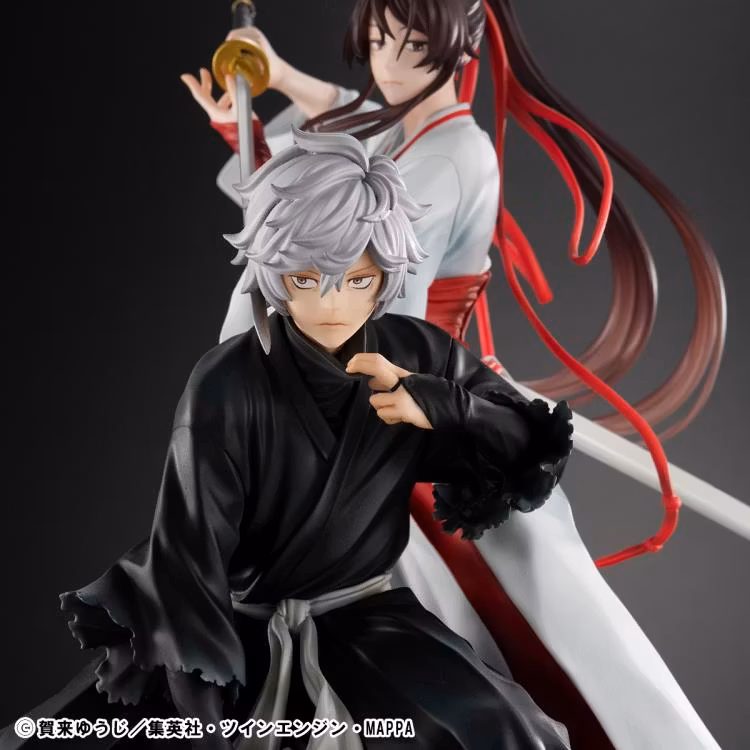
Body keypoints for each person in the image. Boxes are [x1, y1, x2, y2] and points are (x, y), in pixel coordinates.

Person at [182, 3, 725, 749]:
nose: (387, 61)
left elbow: (375, 302)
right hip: (384, 391)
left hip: (407, 405)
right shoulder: (403, 127)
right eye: (378, 41)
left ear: (459, 47)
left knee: (480, 635)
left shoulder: (449, 156)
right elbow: (350, 113)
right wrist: (277, 79)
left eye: (411, 45)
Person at [1, 129, 576, 750]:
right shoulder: (225, 385)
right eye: (307, 279)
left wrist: (444, 405)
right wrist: (204, 709)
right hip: (233, 634)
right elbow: (189, 561)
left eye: (358, 280)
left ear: (385, 274)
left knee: (503, 732)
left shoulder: (416, 352)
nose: (333, 304)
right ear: (274, 270)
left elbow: (529, 444)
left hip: (373, 625)